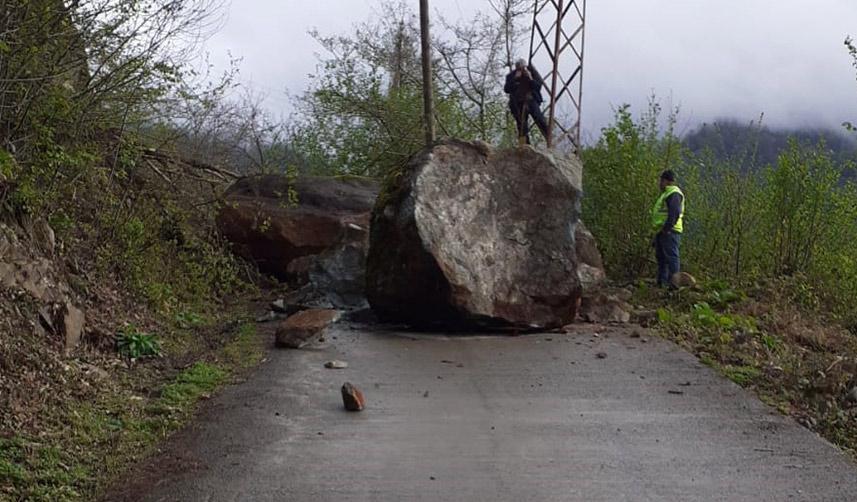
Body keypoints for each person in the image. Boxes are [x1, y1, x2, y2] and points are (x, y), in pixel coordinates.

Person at [651, 170, 685, 288]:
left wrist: (667, 228)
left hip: (670, 231)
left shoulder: (673, 193)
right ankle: (661, 283)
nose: (659, 183)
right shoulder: (666, 193)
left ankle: (674, 285)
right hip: (663, 230)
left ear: (666, 181)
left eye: (661, 180)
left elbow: (674, 213)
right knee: (661, 258)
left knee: (671, 257)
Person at [503, 59, 549, 144]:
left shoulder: (532, 72)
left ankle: (549, 139)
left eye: (523, 68)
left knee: (540, 119)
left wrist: (530, 78)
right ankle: (524, 145)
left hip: (531, 100)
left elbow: (538, 86)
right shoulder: (511, 76)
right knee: (521, 126)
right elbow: (507, 89)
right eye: (519, 68)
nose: (522, 70)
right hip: (518, 103)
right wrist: (515, 79)